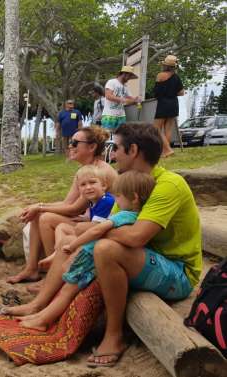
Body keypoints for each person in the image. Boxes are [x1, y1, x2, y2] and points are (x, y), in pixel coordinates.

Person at [87, 122, 202, 367]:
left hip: (179, 273)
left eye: (116, 148)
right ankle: (46, 310)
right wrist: (98, 232)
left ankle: (114, 335)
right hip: (145, 259)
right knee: (85, 241)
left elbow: (134, 237)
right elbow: (113, 226)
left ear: (134, 150)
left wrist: (99, 233)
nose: (113, 154)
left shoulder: (169, 184)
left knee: (105, 248)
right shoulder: (129, 183)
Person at [17, 171, 155, 332]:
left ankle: (43, 319)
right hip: (98, 258)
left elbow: (95, 231)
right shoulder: (139, 218)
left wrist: (73, 245)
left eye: (118, 196)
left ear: (134, 198)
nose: (116, 201)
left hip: (88, 257)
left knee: (66, 291)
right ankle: (39, 315)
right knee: (67, 291)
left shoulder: (122, 216)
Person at [7, 126, 117, 285]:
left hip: (101, 227)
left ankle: (55, 273)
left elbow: (74, 209)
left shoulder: (100, 171)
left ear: (91, 147)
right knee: (39, 214)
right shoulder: (86, 169)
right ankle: (31, 269)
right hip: (93, 221)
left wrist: (40, 208)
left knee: (46, 218)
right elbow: (68, 202)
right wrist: (38, 205)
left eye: (75, 142)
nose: (70, 145)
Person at [37, 165, 115, 269]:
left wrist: (85, 223)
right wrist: (86, 218)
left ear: (104, 186)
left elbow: (96, 226)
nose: (88, 187)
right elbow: (98, 217)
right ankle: (57, 253)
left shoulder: (106, 201)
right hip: (95, 230)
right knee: (61, 227)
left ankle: (56, 255)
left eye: (92, 182)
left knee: (68, 228)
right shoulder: (94, 200)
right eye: (83, 185)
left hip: (102, 236)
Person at [153, 55, 184, 158]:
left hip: (163, 103)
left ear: (165, 66)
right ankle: (164, 152)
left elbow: (156, 92)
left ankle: (168, 150)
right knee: (168, 129)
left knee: (156, 128)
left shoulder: (160, 75)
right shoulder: (176, 77)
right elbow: (181, 93)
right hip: (174, 103)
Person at [101, 66, 141, 132]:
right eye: (129, 76)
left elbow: (131, 98)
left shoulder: (125, 86)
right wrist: (123, 99)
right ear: (124, 74)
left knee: (120, 136)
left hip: (121, 116)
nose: (129, 79)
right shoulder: (112, 82)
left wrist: (136, 99)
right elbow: (108, 96)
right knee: (107, 136)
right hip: (109, 115)